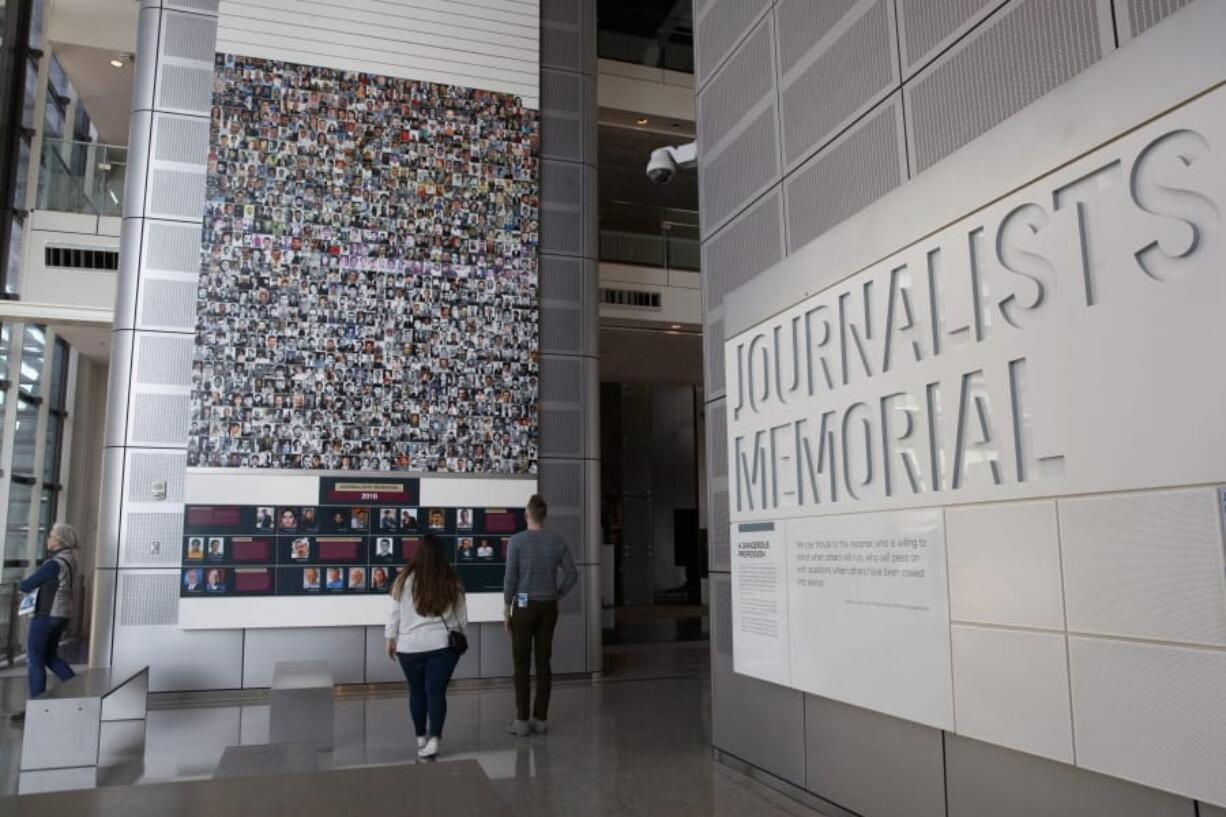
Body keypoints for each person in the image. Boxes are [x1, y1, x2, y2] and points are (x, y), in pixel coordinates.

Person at [386, 533, 467, 760]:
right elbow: (462, 618)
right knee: (436, 692)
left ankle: (421, 737)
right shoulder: (452, 579)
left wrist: (390, 639)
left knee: (417, 691)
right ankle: (434, 739)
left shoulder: (403, 580)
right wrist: (460, 640)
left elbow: (393, 614)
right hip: (443, 646)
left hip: (409, 647)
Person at [503, 495, 577, 737]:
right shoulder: (557, 541)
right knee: (543, 663)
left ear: (527, 514)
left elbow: (511, 579)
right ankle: (541, 719)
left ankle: (522, 721)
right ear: (543, 515)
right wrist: (557, 593)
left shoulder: (516, 541)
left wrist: (507, 608)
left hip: (523, 605)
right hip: (548, 606)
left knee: (521, 663)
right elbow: (572, 574)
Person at [12, 524, 80, 724]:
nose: (47, 539)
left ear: (60, 541)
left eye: (51, 536)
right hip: (62, 615)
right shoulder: (71, 560)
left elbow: (27, 584)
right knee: (51, 657)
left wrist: (22, 586)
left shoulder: (53, 564)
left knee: (35, 659)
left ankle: (36, 708)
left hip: (46, 615)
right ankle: (79, 692)